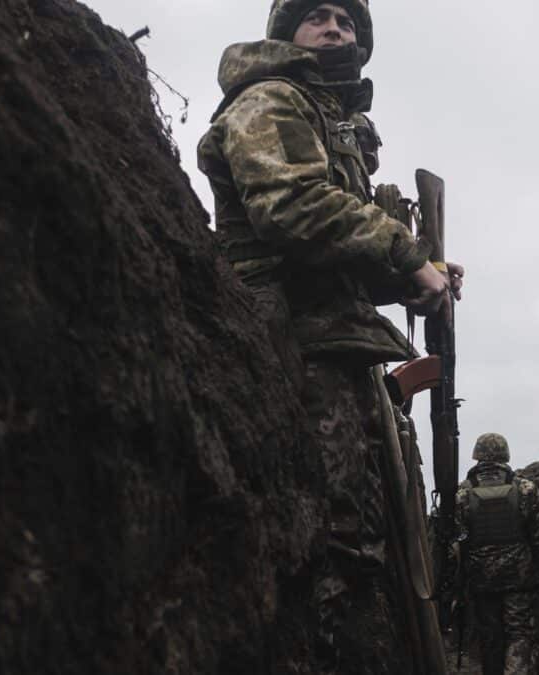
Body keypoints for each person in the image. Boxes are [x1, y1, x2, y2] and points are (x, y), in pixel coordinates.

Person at [197, 1, 463, 672]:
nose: (336, 29)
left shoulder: (327, 119)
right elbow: (289, 207)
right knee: (328, 551)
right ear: (287, 34)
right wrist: (405, 253)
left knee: (361, 547)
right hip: (292, 353)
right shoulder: (271, 98)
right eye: (318, 17)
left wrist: (404, 280)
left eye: (347, 21)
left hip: (332, 351)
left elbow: (327, 264)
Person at [455, 433, 539, 675]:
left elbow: (456, 544)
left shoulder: (462, 494)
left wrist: (459, 583)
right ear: (505, 455)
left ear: (477, 456)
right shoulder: (524, 489)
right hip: (518, 577)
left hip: (482, 579)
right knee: (518, 634)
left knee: (489, 637)